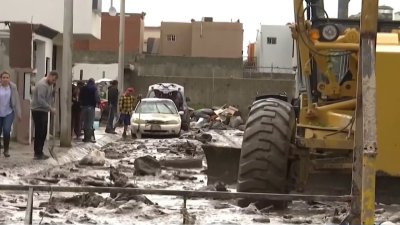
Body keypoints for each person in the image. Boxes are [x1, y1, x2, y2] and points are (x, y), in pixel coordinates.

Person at [31, 71, 58, 160]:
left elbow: (48, 97)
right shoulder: (43, 85)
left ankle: (40, 151)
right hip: (38, 110)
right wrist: (50, 108)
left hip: (43, 110)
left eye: (55, 81)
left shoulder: (50, 85)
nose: (53, 82)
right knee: (40, 132)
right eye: (53, 79)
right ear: (49, 76)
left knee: (44, 132)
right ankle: (37, 153)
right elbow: (40, 100)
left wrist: (52, 100)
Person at [0, 71, 21, 158]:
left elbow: (16, 100)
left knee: (6, 130)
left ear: (9, 79)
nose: (5, 79)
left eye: (7, 77)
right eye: (3, 77)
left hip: (9, 112)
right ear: (0, 79)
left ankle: (6, 150)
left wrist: (19, 113)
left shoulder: (13, 87)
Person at [79, 78, 100, 143]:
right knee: (90, 123)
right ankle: (89, 138)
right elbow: (97, 97)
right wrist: (98, 102)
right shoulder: (94, 88)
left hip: (84, 107)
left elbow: (80, 97)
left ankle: (85, 138)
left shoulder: (83, 88)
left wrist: (81, 104)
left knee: (85, 122)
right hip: (91, 107)